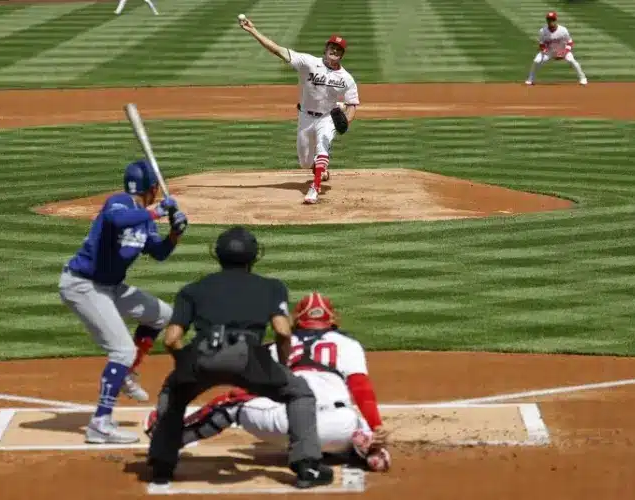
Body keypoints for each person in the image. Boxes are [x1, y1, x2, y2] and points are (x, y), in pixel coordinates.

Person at [145, 226, 333, 489]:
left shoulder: (193, 289)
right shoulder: (271, 286)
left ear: (217, 255)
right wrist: (281, 366)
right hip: (248, 356)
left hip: (203, 353)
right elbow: (282, 331)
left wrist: (187, 364)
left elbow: (171, 339)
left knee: (173, 393)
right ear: (254, 257)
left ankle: (161, 464)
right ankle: (307, 467)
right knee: (298, 393)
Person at [145, 291, 391, 472]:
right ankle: (362, 445)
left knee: (232, 403)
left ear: (297, 320)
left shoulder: (277, 347)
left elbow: (247, 387)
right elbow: (361, 388)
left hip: (287, 426)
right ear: (332, 320)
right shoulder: (348, 344)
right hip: (341, 428)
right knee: (354, 414)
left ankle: (170, 438)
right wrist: (377, 425)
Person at [58, 158, 188, 445]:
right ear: (153, 188)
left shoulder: (142, 216)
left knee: (162, 315)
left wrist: (175, 233)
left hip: (110, 287)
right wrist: (157, 212)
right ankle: (100, 424)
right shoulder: (119, 203)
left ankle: (129, 371)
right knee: (120, 350)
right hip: (83, 285)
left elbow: (159, 253)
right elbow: (117, 220)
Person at [238, 16, 359, 205]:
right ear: (326, 50)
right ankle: (319, 170)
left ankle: (315, 188)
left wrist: (346, 121)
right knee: (304, 161)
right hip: (305, 117)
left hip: (327, 118)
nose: (335, 51)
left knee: (323, 148)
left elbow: (353, 104)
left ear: (342, 55)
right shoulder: (308, 62)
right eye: (332, 48)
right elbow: (278, 50)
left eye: (339, 50)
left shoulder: (347, 78)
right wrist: (253, 30)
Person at [525, 11, 588, 86]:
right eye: (549, 20)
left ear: (555, 20)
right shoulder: (543, 31)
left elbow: (570, 42)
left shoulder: (563, 30)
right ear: (547, 21)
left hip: (563, 50)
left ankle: (583, 79)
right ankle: (530, 79)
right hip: (549, 51)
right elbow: (541, 44)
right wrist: (546, 52)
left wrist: (564, 52)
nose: (551, 21)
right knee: (536, 60)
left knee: (572, 60)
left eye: (552, 20)